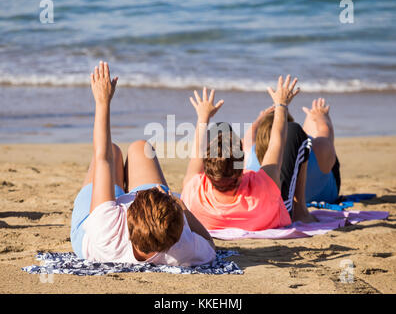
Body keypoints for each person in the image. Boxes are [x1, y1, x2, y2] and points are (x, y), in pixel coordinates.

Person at [70, 61, 215, 266]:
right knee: (140, 147)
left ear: (129, 211)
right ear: (177, 231)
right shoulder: (182, 249)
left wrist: (102, 102)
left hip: (94, 234)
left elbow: (103, 158)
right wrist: (184, 210)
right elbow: (209, 244)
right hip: (151, 227)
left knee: (112, 150)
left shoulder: (104, 227)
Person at [181, 75, 316, 232]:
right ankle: (301, 210)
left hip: (213, 218)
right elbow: (277, 141)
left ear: (206, 171)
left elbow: (197, 153)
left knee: (220, 127)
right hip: (271, 215)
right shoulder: (265, 185)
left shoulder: (194, 188)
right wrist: (282, 105)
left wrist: (203, 116)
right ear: (242, 169)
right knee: (294, 131)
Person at [245, 98, 341, 204]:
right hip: (323, 196)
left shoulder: (249, 153)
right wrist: (321, 116)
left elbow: (250, 133)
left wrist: (260, 119)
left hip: (280, 199)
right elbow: (325, 129)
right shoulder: (320, 148)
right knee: (312, 123)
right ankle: (306, 123)